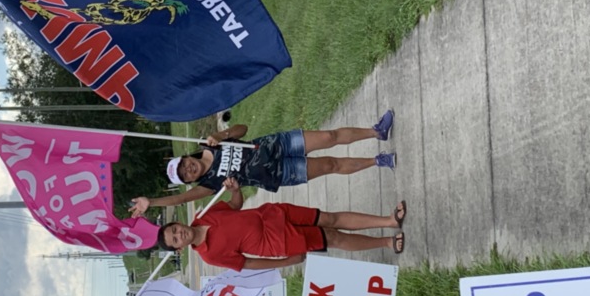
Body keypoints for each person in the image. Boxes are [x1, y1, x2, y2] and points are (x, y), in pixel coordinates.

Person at [128, 110, 395, 217]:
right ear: (189, 181)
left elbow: (243, 128)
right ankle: (377, 161)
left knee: (328, 136)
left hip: (276, 144)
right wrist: (152, 202)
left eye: (184, 164)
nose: (188, 170)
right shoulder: (209, 185)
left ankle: (376, 132)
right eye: (185, 175)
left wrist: (221, 134)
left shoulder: (210, 144)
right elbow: (181, 201)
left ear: (187, 157)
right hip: (279, 173)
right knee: (329, 165)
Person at [156, 177, 407, 270]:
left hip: (274, 215)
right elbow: (249, 263)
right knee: (332, 237)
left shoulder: (204, 215)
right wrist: (286, 262)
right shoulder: (209, 256)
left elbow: (235, 207)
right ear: (179, 248)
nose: (181, 234)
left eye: (175, 230)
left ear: (178, 223)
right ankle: (385, 242)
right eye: (176, 239)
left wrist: (235, 190)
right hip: (278, 242)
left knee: (328, 218)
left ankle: (388, 220)